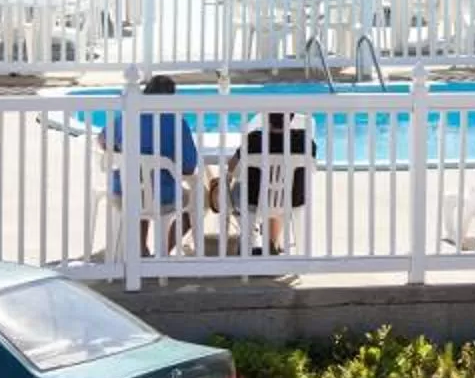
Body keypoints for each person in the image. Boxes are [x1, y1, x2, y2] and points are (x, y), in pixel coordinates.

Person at [103, 74, 203, 254]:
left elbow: (102, 141)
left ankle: (141, 250)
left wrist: (119, 150)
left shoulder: (125, 118)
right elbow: (189, 167)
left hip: (122, 191)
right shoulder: (176, 124)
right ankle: (164, 250)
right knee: (199, 198)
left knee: (142, 188)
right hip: (160, 196)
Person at [222, 109, 318, 255]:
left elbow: (232, 168)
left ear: (266, 118)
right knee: (278, 194)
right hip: (291, 200)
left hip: (253, 201)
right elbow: (311, 169)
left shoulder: (254, 139)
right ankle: (271, 242)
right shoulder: (305, 141)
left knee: (236, 189)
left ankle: (251, 236)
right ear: (291, 118)